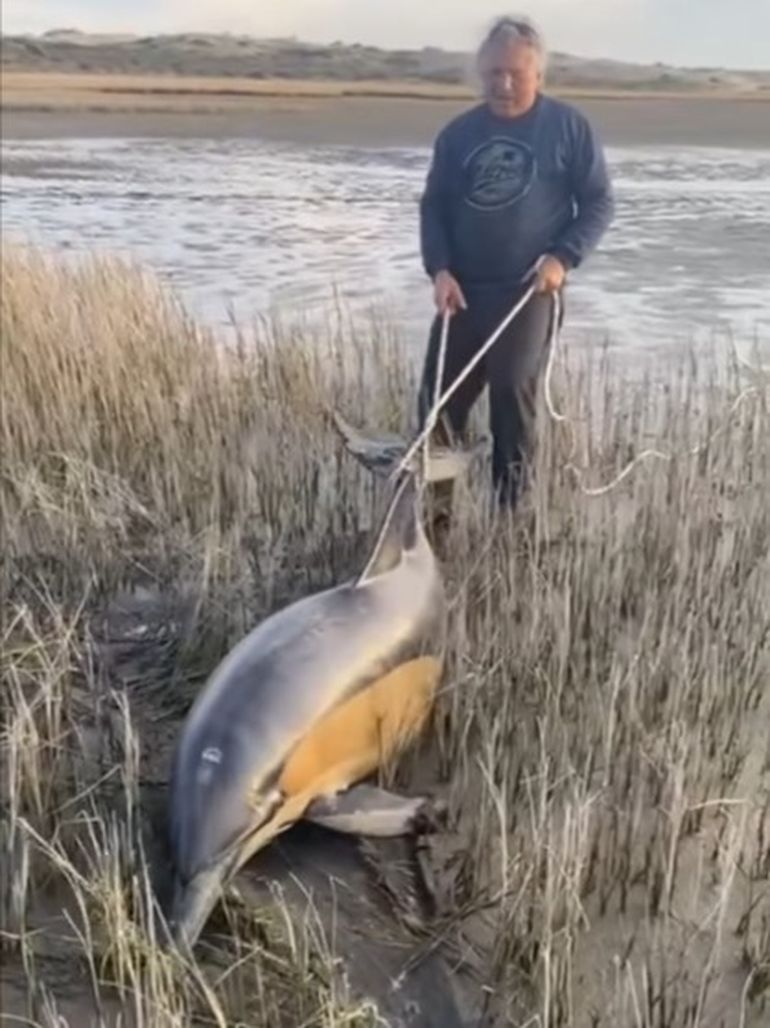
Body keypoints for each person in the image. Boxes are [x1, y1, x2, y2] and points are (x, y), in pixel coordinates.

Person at [417, 14, 614, 527]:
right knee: (437, 406)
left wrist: (563, 257)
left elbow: (598, 204)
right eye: (493, 74)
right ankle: (435, 519)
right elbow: (433, 207)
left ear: (538, 76)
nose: (503, 85)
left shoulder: (569, 128)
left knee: (510, 393)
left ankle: (511, 518)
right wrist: (439, 270)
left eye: (514, 74)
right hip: (462, 291)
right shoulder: (458, 135)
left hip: (527, 291)